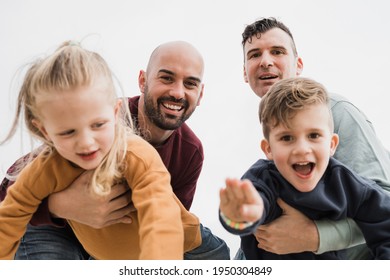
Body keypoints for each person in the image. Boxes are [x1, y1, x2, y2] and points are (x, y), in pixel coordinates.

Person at [0, 41, 230, 260]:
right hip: (55, 227)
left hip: (116, 234)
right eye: (166, 78)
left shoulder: (188, 151)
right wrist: (58, 206)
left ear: (200, 94)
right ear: (142, 81)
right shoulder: (93, 115)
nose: (178, 92)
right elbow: (12, 197)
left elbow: (163, 221)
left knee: (214, 252)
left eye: (190, 83)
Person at [239, 17, 390, 259]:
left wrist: (316, 236)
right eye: (254, 55)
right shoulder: (267, 153)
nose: (265, 61)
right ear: (245, 73)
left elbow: (385, 200)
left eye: (277, 52)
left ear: (298, 65)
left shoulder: (336, 110)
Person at [219, 77, 390, 259]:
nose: (301, 149)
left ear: (332, 144)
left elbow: (384, 220)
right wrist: (243, 215)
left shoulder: (344, 182)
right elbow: (249, 210)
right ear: (268, 149)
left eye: (314, 135)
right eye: (286, 138)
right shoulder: (263, 180)